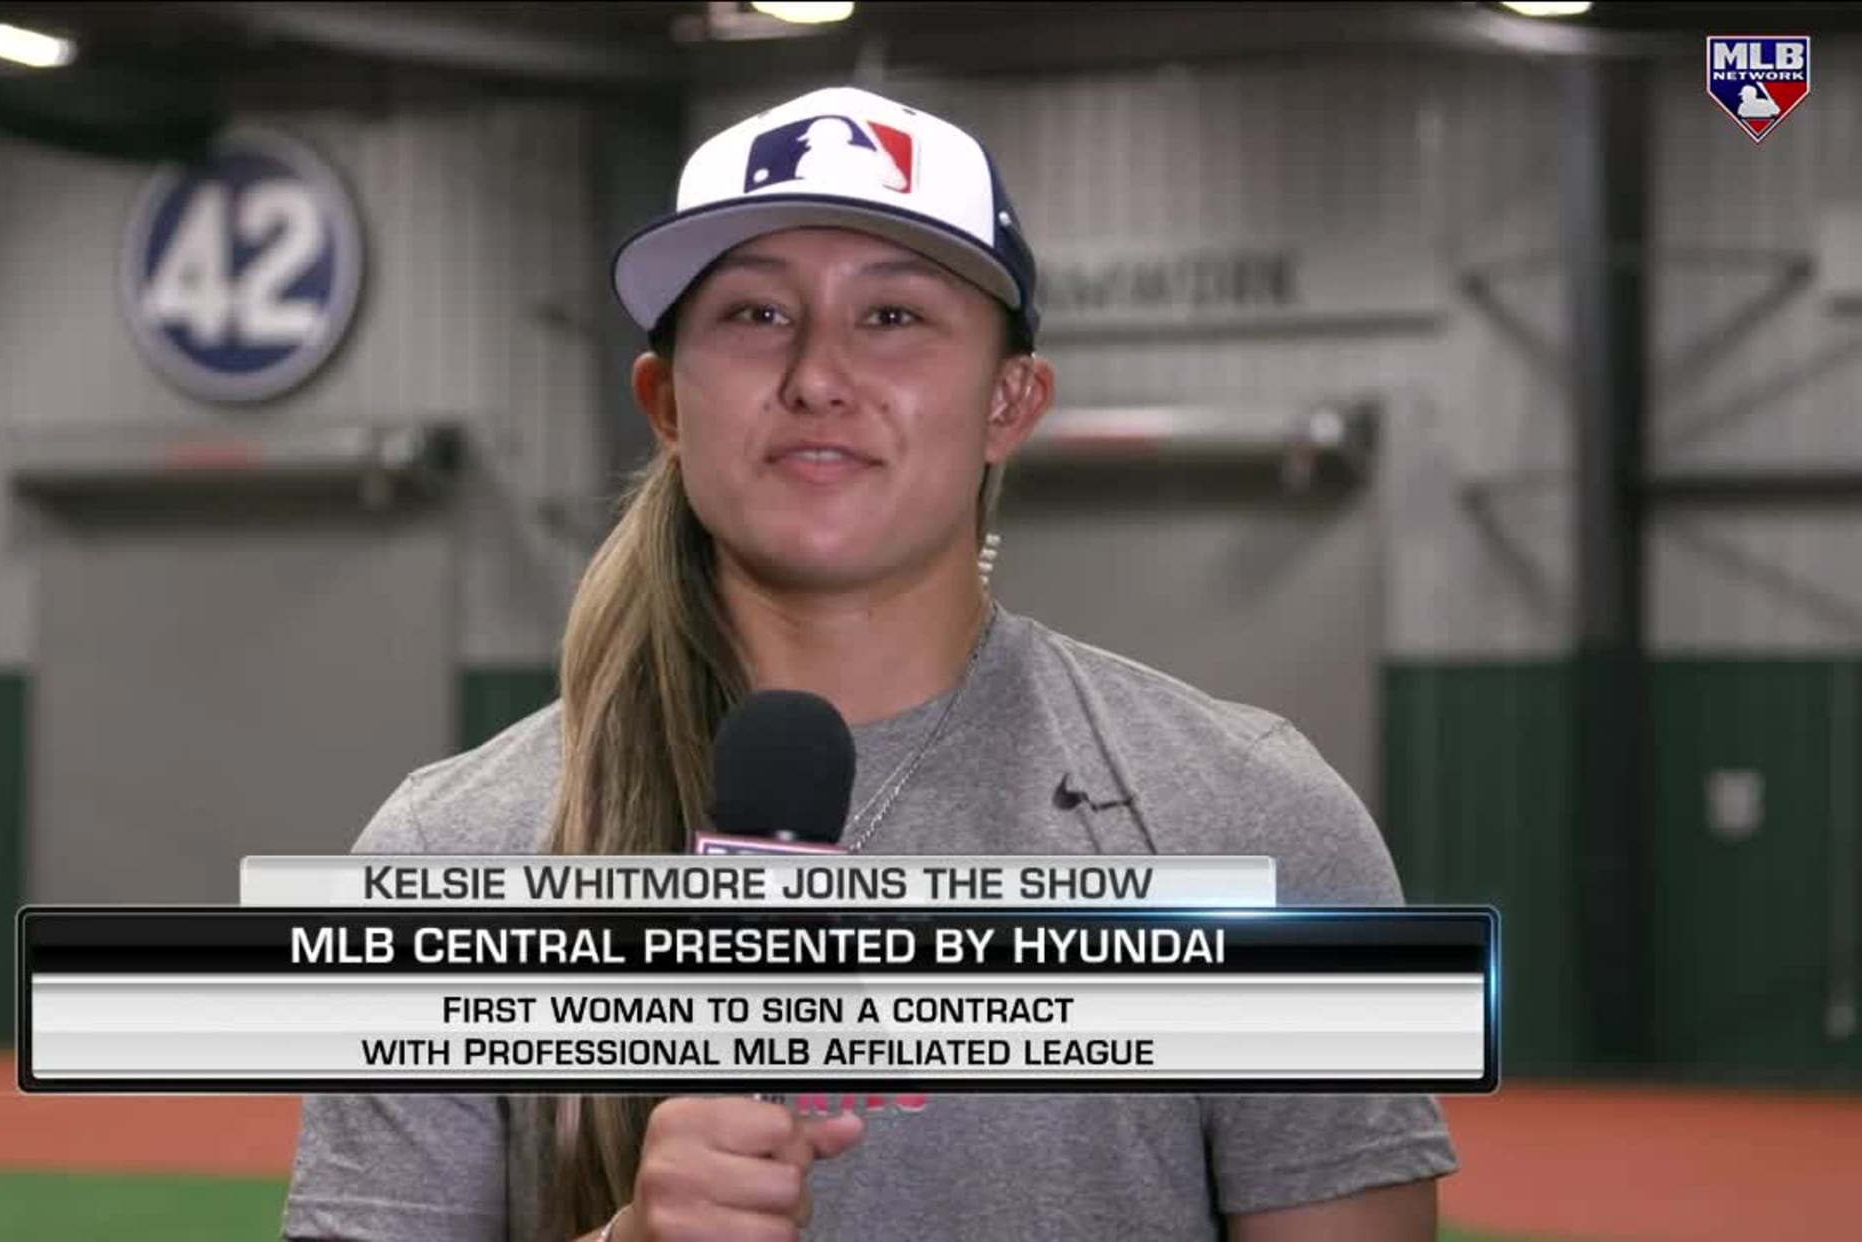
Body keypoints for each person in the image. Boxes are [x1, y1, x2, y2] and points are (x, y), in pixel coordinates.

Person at [283, 85, 1458, 1242]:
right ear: (665, 404)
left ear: (1012, 400)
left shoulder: (1247, 819)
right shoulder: (450, 857)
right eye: (753, 314)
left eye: (892, 316)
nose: (817, 376)